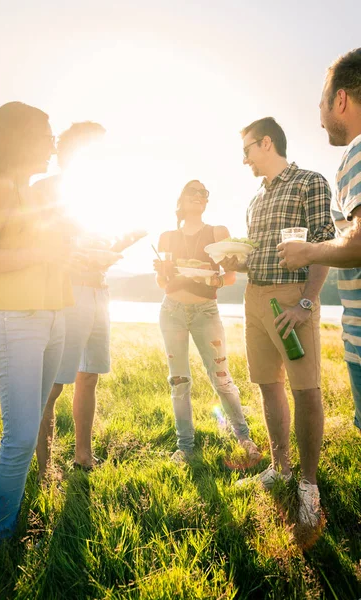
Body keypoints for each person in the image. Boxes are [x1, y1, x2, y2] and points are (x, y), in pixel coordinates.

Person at [0, 102, 74, 551]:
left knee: (32, 427)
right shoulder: (2, 187)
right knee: (22, 434)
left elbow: (48, 250)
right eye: (47, 135)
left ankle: (6, 524)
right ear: (22, 137)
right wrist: (41, 255)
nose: (52, 144)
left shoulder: (35, 193)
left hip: (54, 317)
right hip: (15, 320)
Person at [222, 117, 335, 527]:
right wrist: (237, 259)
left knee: (306, 390)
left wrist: (306, 303)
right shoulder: (254, 200)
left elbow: (324, 243)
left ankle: (308, 484)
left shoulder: (310, 181)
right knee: (269, 386)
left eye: (247, 149)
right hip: (255, 298)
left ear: (266, 143)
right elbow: (256, 253)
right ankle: (280, 466)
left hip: (292, 299)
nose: (245, 159)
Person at [36, 122, 145, 477]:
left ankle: (83, 454)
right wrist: (78, 255)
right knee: (53, 384)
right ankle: (42, 466)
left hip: (99, 290)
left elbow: (97, 243)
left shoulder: (98, 192)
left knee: (89, 376)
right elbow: (39, 243)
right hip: (67, 292)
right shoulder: (48, 190)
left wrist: (119, 245)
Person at [278, 48, 361, 435]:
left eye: (321, 105)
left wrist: (307, 250)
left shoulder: (356, 154)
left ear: (340, 99)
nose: (320, 120)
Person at [154, 179, 261, 465]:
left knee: (222, 378)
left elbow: (229, 276)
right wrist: (161, 271)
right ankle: (185, 447)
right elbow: (163, 282)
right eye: (193, 191)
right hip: (172, 311)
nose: (200, 196)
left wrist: (211, 278)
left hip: (206, 312)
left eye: (204, 193)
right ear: (181, 200)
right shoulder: (166, 236)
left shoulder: (218, 232)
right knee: (179, 382)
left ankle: (243, 438)